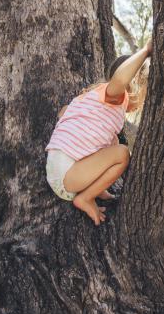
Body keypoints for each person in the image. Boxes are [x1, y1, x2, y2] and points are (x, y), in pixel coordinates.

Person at [45, 42, 151, 225]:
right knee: (122, 153)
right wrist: (146, 51)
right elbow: (119, 81)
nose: (143, 103)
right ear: (133, 85)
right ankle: (85, 197)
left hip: (63, 168)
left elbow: (63, 112)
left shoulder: (92, 99)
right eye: (145, 94)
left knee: (113, 142)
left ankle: (96, 187)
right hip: (67, 176)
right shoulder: (117, 96)